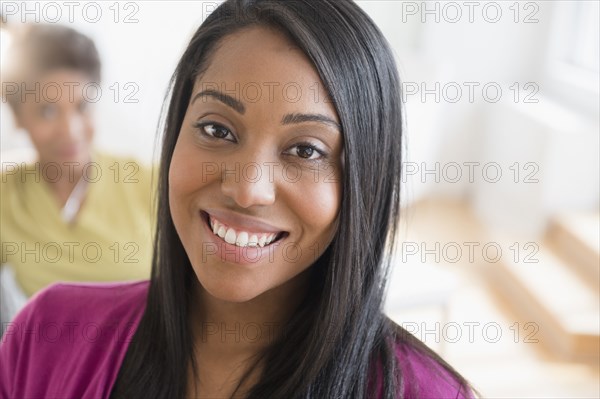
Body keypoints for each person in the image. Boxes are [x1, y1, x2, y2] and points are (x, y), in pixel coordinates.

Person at [0, 1, 476, 398]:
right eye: (217, 129)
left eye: (306, 150)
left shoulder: (427, 392)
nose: (248, 188)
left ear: (364, 181)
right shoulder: (46, 336)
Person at [0, 24, 154, 326]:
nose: (70, 130)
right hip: (60, 367)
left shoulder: (148, 181)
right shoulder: (7, 194)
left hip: (151, 364)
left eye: (82, 106)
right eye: (47, 111)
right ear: (18, 118)